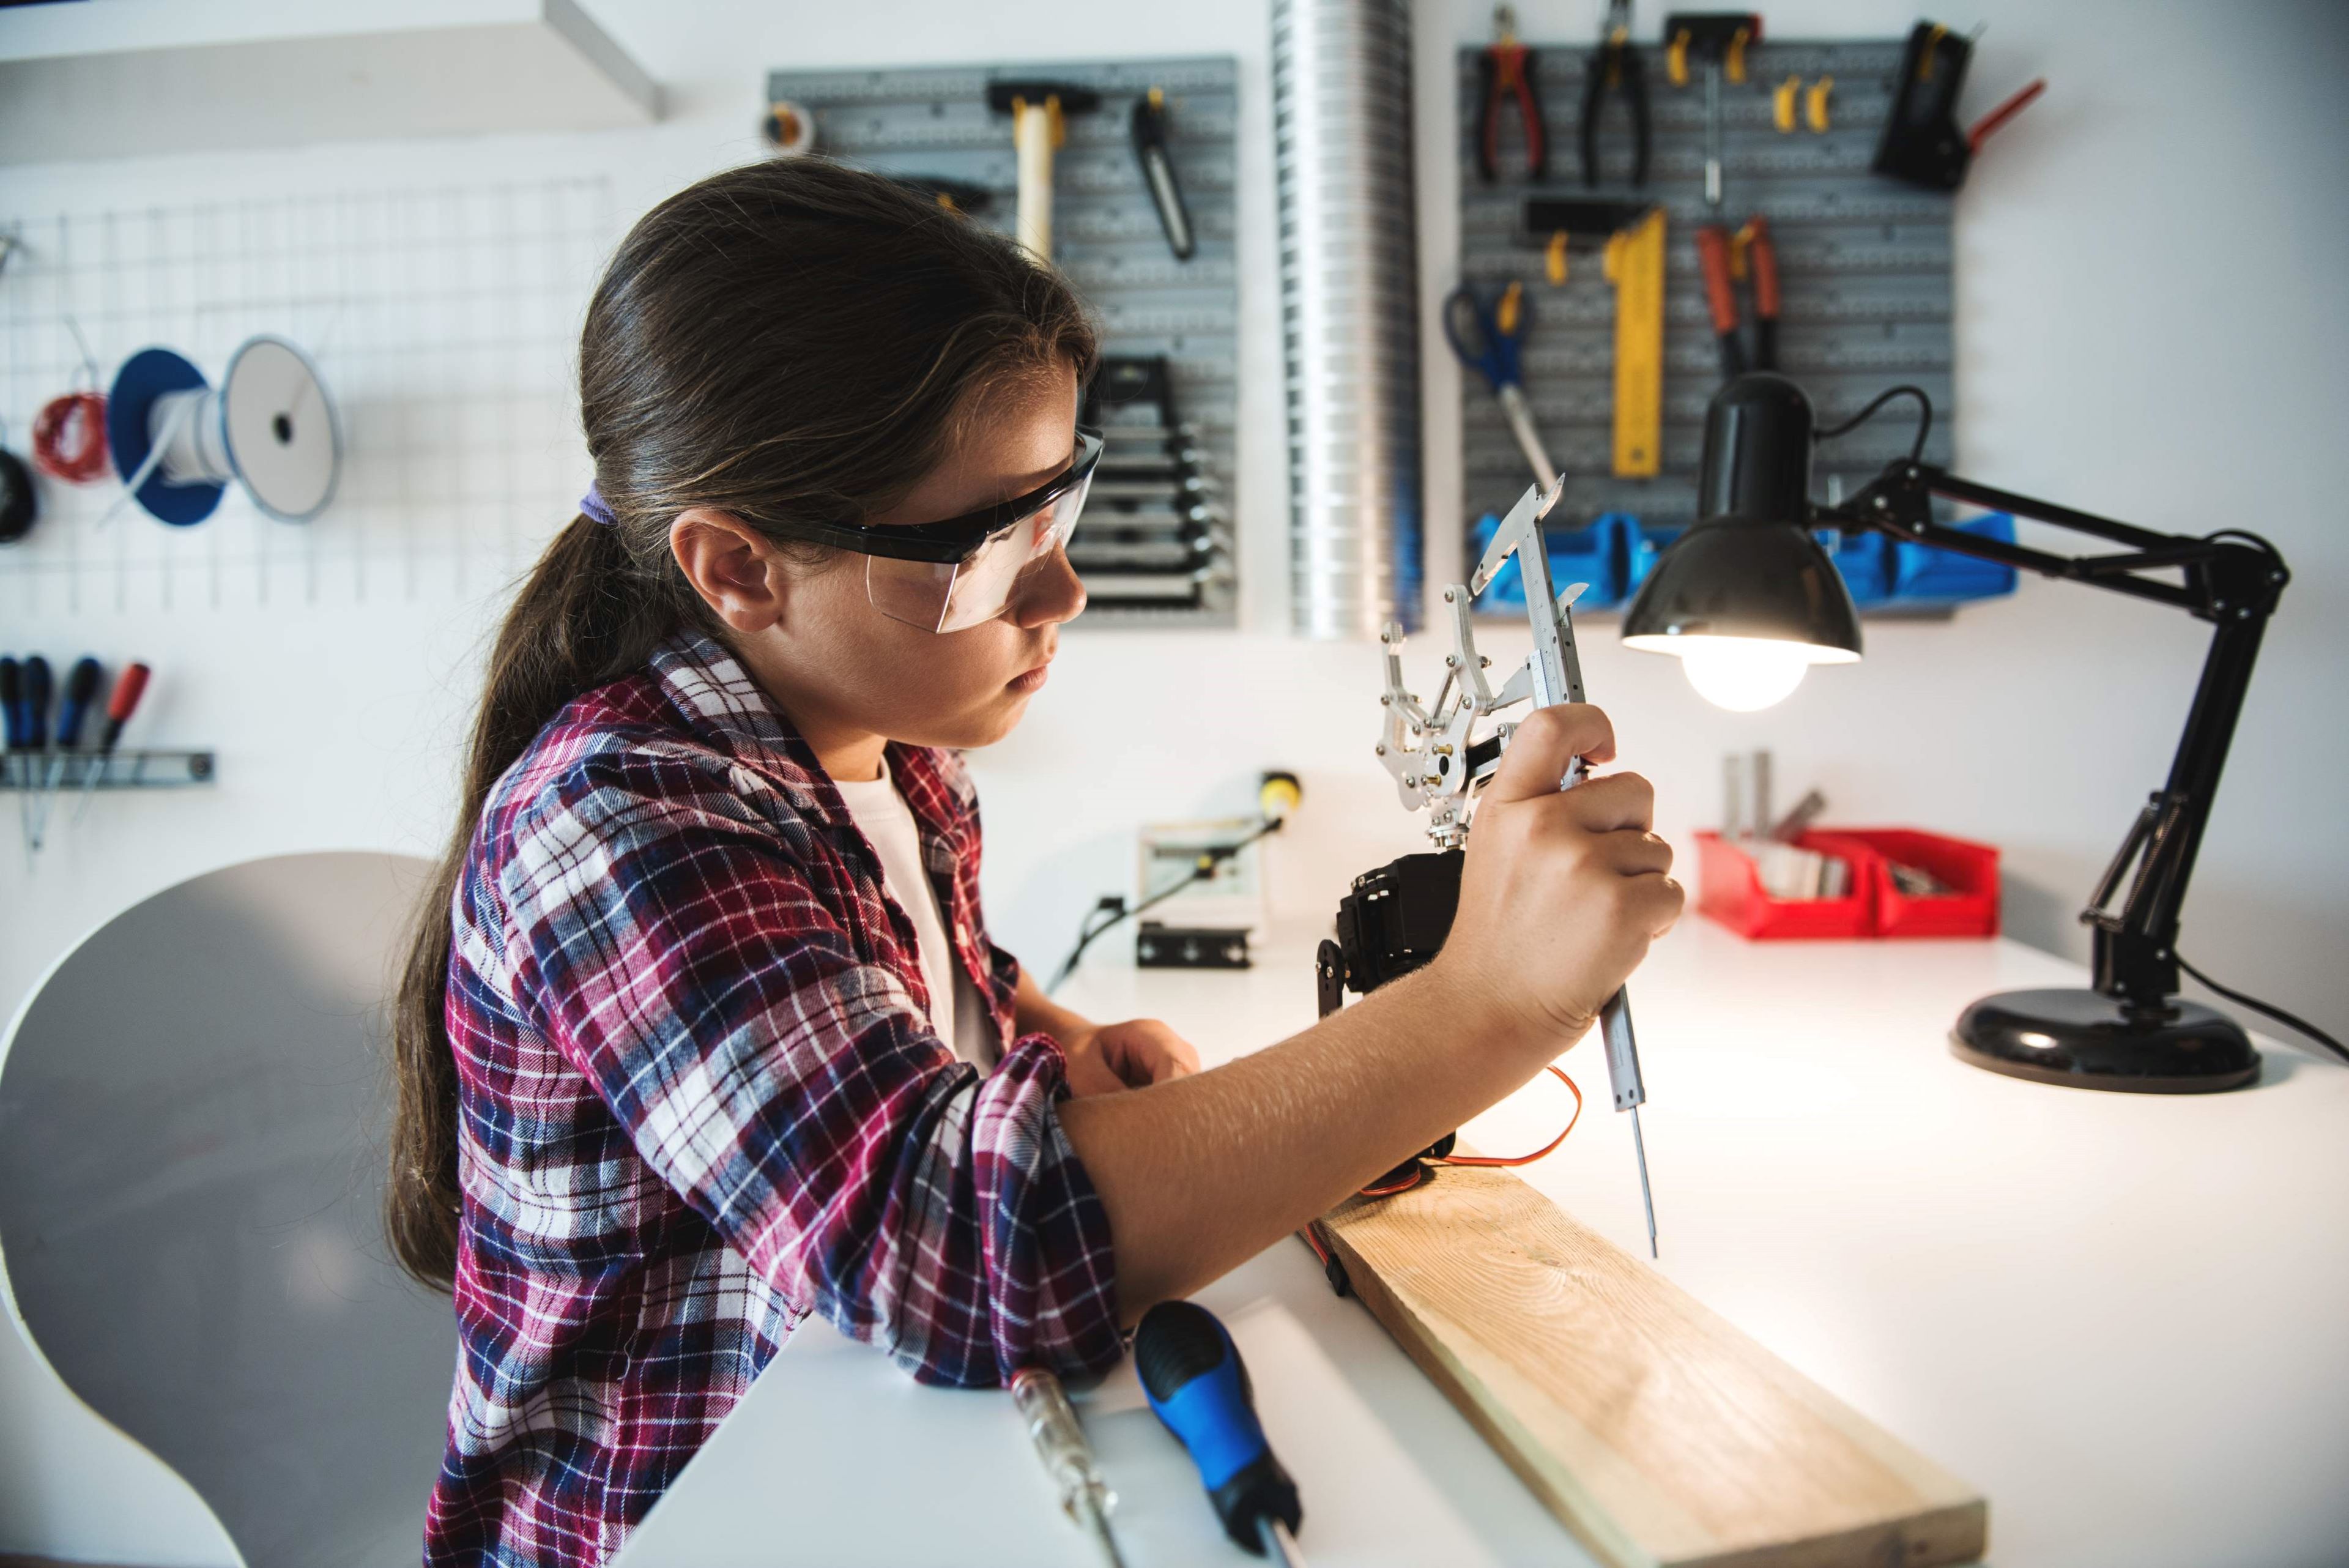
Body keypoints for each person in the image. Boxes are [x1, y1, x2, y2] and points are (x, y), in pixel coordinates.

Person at [386, 157, 1681, 1566]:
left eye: (1055, 511)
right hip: (690, 1524)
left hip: (874, 1466)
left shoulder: (889, 745)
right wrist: (1488, 1001)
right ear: (741, 569)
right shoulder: (615, 824)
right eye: (992, 547)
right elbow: (954, 1249)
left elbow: (904, 993)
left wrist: (1043, 1039)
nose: (1065, 591)